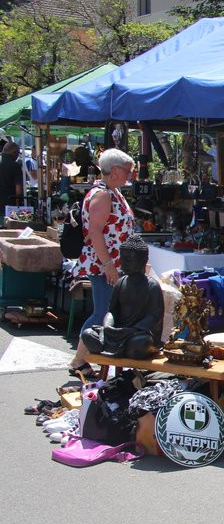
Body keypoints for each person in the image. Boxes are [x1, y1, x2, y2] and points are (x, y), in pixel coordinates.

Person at [69, 148, 136, 376]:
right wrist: (109, 265)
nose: (130, 175)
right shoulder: (103, 194)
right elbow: (95, 232)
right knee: (102, 312)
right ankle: (78, 360)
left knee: (105, 311)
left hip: (110, 264)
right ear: (115, 171)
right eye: (128, 170)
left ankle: (84, 359)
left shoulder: (111, 191)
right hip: (104, 265)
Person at [0, 141, 23, 210]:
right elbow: (18, 188)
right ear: (14, 153)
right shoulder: (15, 166)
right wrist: (18, 204)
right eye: (18, 153)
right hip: (9, 203)